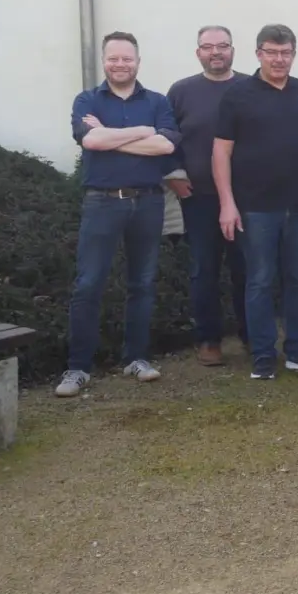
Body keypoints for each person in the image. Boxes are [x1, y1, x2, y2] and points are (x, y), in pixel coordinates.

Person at [58, 31, 181, 398]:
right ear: (104, 61)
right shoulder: (87, 100)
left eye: (127, 58)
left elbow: (166, 145)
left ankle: (136, 358)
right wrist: (142, 132)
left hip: (148, 202)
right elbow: (90, 141)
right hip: (102, 202)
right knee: (88, 284)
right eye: (113, 58)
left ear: (138, 62)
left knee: (142, 283)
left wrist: (112, 136)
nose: (120, 64)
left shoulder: (158, 101)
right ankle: (78, 368)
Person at [212, 23, 298, 381]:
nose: (279, 59)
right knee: (260, 280)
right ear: (258, 54)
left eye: (285, 53)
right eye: (272, 52)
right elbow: (221, 152)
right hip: (255, 206)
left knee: (297, 278)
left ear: (293, 54)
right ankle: (263, 355)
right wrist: (227, 203)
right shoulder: (237, 95)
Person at [167, 25, 248, 367]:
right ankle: (209, 340)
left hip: (247, 198)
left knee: (248, 269)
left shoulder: (250, 88)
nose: (216, 52)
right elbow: (167, 137)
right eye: (208, 46)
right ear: (198, 52)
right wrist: (174, 176)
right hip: (198, 197)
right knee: (204, 270)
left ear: (233, 50)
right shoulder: (181, 91)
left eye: (223, 46)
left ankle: (252, 337)